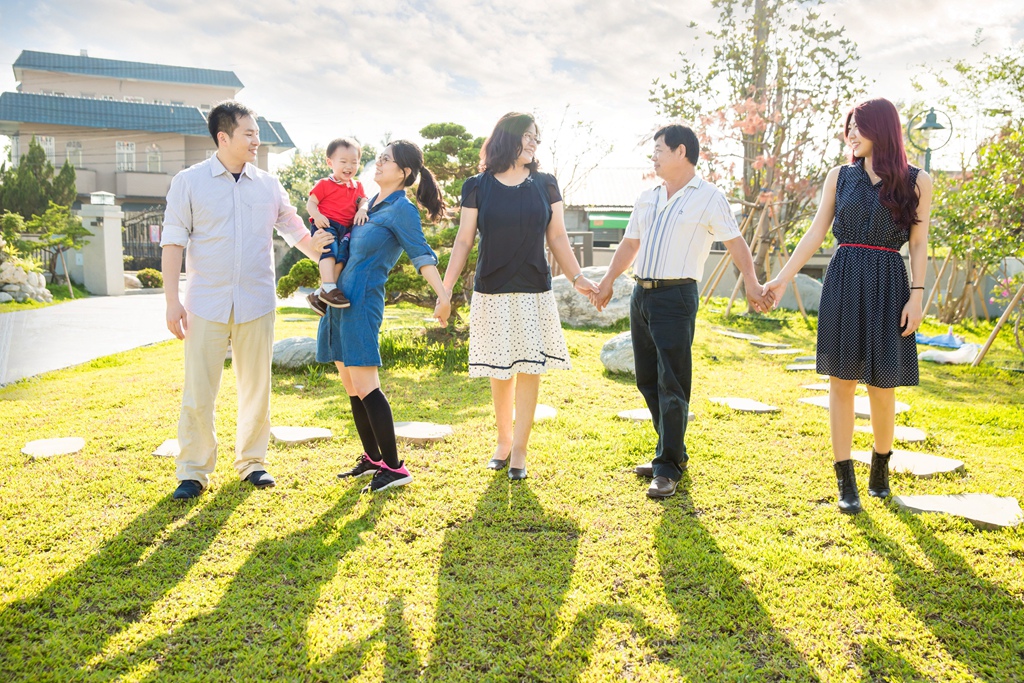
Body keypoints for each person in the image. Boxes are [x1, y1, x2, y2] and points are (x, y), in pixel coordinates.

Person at [763, 97, 931, 514]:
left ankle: (880, 468)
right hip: (844, 277)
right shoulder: (839, 176)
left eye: (858, 126)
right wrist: (783, 278)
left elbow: (919, 242)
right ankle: (845, 478)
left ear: (882, 128)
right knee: (841, 382)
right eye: (848, 127)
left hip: (891, 282)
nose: (851, 134)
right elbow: (817, 231)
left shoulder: (917, 180)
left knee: (883, 385)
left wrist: (918, 294)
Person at [161, 101, 334, 500]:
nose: (257, 140)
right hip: (206, 302)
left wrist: (325, 253)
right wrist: (173, 301)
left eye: (257, 133)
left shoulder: (268, 185)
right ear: (224, 137)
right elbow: (173, 242)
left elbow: (294, 230)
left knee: (256, 387)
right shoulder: (189, 182)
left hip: (256, 301)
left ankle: (253, 463)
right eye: (249, 133)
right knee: (199, 389)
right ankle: (193, 471)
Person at [594, 124, 771, 500]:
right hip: (641, 294)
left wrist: (753, 284)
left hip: (676, 296)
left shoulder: (708, 197)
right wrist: (609, 279)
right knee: (646, 379)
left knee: (672, 382)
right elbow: (630, 243)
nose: (653, 156)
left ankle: (668, 466)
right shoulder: (648, 196)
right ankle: (670, 453)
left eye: (658, 149)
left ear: (681, 152)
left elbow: (735, 242)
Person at [442, 112, 599, 480]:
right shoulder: (477, 186)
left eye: (536, 139)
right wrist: (445, 290)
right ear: (507, 138)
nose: (532, 144)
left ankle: (520, 452)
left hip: (533, 287)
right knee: (500, 369)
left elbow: (557, 236)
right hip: (491, 288)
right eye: (527, 136)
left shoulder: (546, 184)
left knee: (530, 368)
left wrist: (576, 276)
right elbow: (464, 240)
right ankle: (502, 441)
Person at [322, 140, 451, 492]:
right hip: (338, 302)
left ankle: (395, 467)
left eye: (386, 160)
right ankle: (373, 458)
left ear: (404, 172)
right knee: (351, 385)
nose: (378, 164)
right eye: (378, 158)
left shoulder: (401, 210)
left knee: (366, 385)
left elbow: (421, 255)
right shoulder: (369, 202)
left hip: (362, 303)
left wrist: (443, 296)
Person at [305, 137, 369, 314]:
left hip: (346, 229)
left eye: (354, 162)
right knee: (329, 252)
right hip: (327, 224)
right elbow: (310, 204)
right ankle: (328, 287)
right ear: (330, 162)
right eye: (343, 162)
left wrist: (362, 210)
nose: (349, 166)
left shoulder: (357, 186)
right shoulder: (324, 184)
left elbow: (363, 201)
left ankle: (319, 295)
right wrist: (316, 216)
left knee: (342, 258)